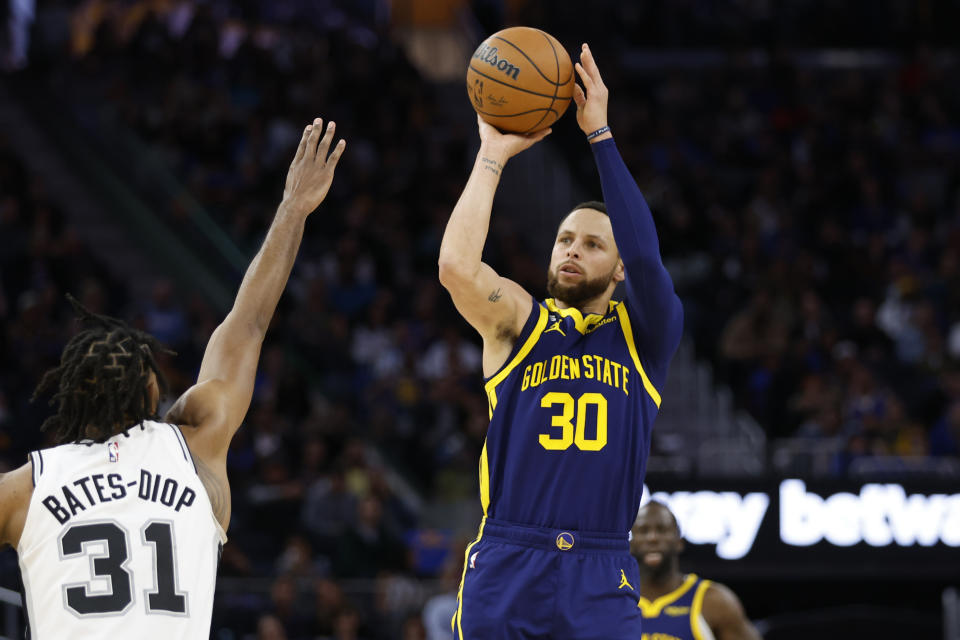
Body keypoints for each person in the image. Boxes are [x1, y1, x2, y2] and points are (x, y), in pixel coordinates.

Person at [0, 117, 345, 637]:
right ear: (152, 391)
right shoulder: (197, 452)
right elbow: (248, 325)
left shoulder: (26, 487)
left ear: (70, 398)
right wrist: (293, 209)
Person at [438, 42, 683, 638]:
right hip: (508, 554)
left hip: (600, 570)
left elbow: (648, 258)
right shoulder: (519, 322)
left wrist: (598, 134)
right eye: (565, 239)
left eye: (594, 243)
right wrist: (492, 156)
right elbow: (455, 267)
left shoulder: (644, 337)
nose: (573, 249)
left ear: (618, 268)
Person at [632, 501, 761, 640]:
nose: (653, 538)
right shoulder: (615, 600)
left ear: (679, 543)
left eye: (662, 530)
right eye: (643, 531)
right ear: (630, 543)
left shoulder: (715, 601)